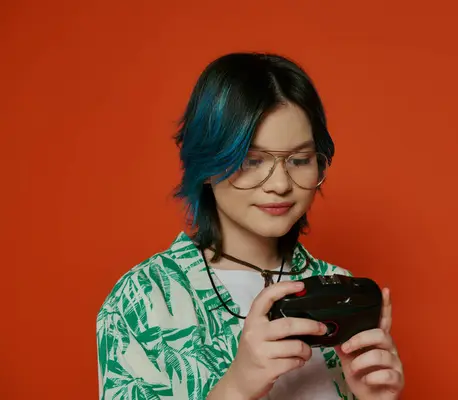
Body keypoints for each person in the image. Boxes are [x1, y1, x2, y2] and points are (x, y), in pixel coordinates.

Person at [96, 52, 404, 400]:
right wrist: (236, 388)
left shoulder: (340, 290)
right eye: (251, 160)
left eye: (300, 160)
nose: (280, 184)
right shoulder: (145, 298)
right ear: (208, 163)